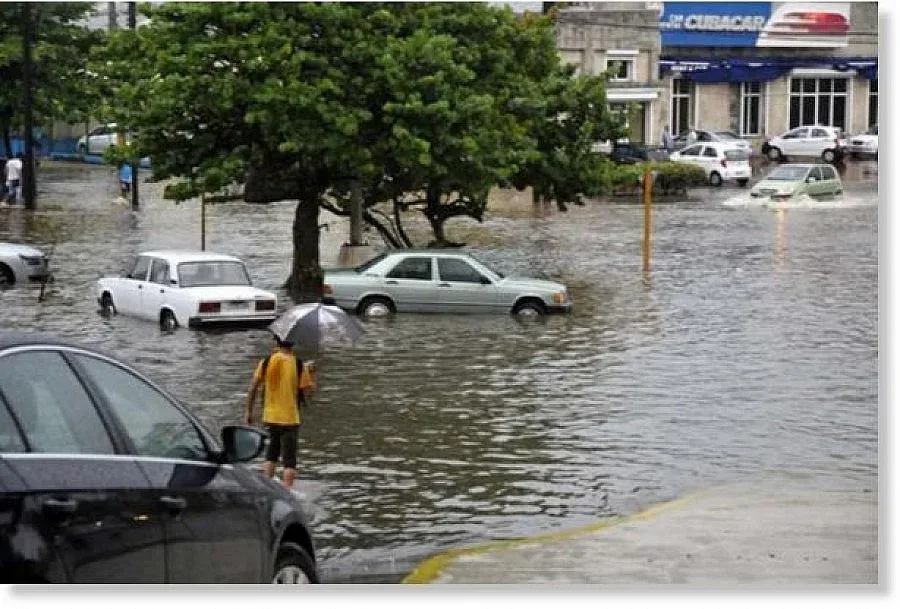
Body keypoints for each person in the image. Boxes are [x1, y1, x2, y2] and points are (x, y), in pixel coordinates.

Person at [245, 336, 305, 489]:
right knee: (289, 460)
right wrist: (312, 372)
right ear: (293, 343)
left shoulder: (266, 362)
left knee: (271, 453)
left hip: (270, 416)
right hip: (290, 418)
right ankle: (288, 492)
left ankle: (267, 487)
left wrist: (248, 411)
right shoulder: (298, 364)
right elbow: (307, 391)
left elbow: (253, 388)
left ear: (276, 342)